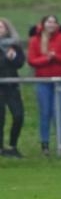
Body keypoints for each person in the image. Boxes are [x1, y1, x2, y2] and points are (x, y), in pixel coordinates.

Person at [27, 15, 61, 156]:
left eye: (54, 22)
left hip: (60, 79)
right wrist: (47, 58)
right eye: (48, 22)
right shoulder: (35, 40)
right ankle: (45, 144)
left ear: (57, 25)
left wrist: (56, 57)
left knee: (59, 112)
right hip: (43, 80)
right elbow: (32, 60)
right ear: (43, 24)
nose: (51, 24)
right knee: (45, 112)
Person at [0, 18, 25, 158]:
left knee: (18, 115)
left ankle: (13, 146)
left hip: (11, 85)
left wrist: (13, 56)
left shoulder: (14, 45)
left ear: (7, 29)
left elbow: (20, 63)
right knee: (0, 118)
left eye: (1, 27)